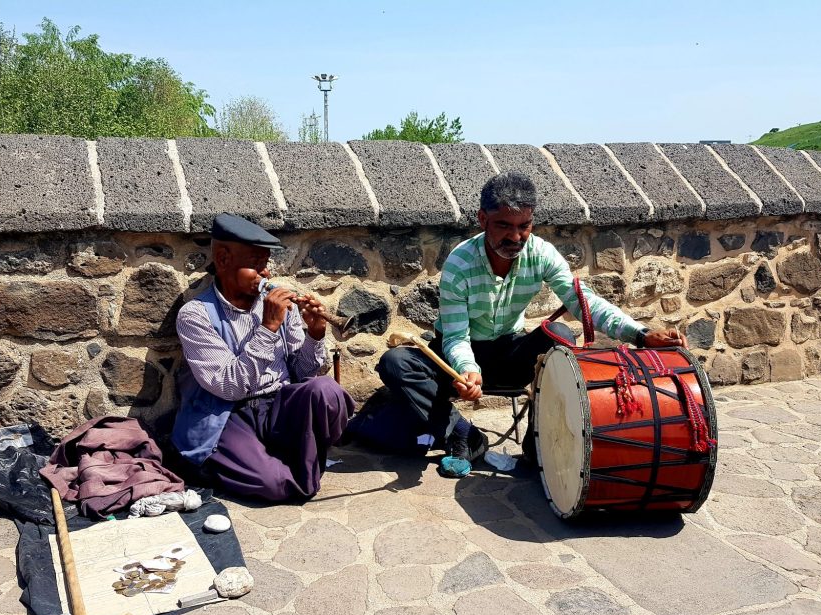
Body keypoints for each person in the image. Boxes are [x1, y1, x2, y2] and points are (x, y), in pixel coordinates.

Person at [377, 171, 683, 478]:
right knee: (396, 362)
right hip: (455, 360)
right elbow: (456, 336)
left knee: (560, 336)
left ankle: (539, 446)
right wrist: (468, 370)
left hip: (508, 352)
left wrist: (640, 335)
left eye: (524, 226)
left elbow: (583, 302)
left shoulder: (541, 254)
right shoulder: (460, 262)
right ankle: (462, 433)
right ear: (483, 219)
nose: (515, 237)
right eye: (504, 226)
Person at [172, 213, 354, 502]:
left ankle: (276, 460)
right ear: (223, 259)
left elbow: (305, 376)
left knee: (328, 391)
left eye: (265, 264)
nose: (265, 274)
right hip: (229, 414)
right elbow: (229, 387)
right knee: (274, 485)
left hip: (277, 404)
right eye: (255, 265)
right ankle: (267, 465)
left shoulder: (281, 306)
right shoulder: (195, 315)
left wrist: (315, 334)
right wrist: (268, 328)